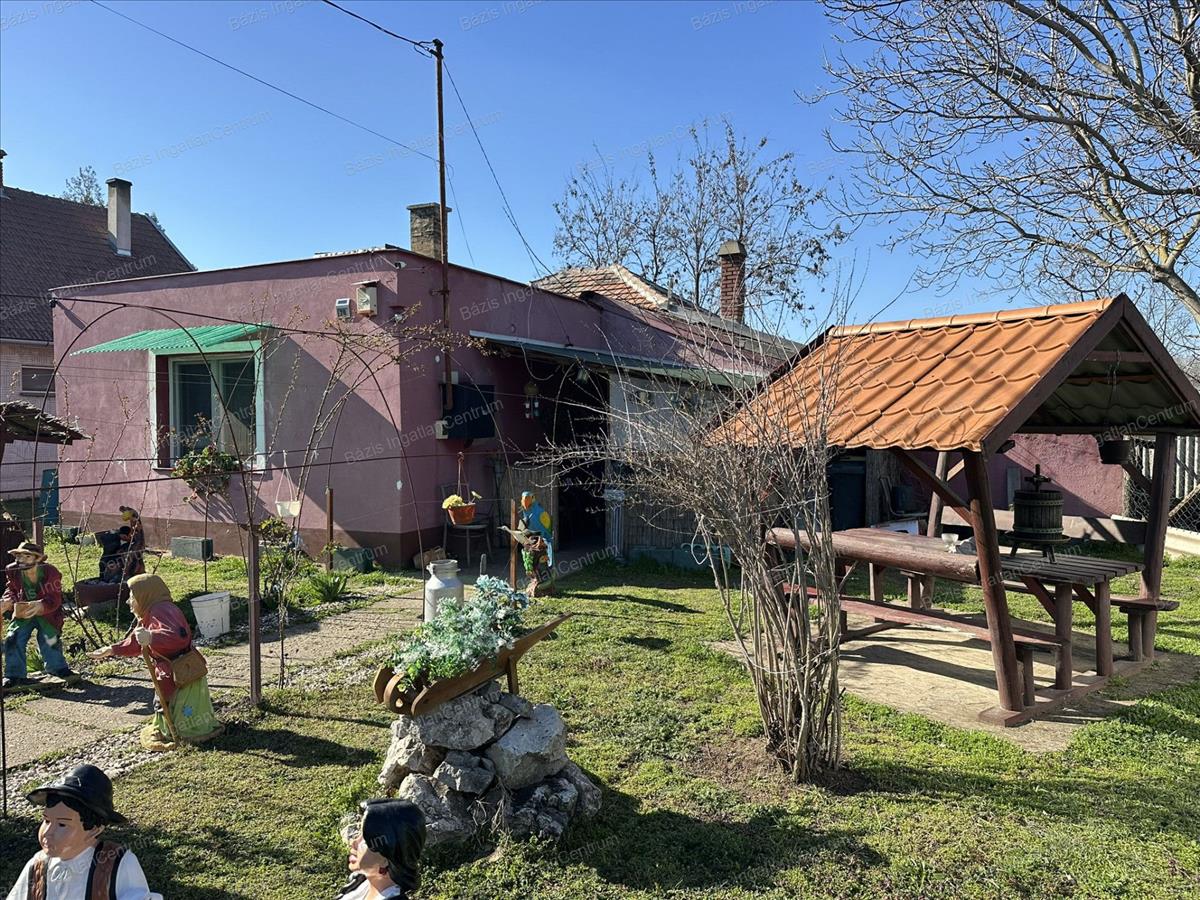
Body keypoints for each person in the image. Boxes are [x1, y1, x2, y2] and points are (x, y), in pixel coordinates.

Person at [90, 574, 221, 751]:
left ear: (145, 594)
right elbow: (137, 641)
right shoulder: (149, 612)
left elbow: (178, 636)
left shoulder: (162, 610)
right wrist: (113, 649)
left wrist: (151, 637)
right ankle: (173, 728)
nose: (129, 602)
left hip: (180, 670)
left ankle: (186, 730)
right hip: (171, 670)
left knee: (176, 702)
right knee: (164, 700)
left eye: (132, 597)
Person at [6, 763, 162, 900]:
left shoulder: (117, 863)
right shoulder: (37, 866)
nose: (48, 832)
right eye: (47, 821)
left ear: (94, 828)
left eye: (62, 825)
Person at [2, 541, 77, 691]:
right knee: (13, 637)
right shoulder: (13, 570)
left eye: (27, 556)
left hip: (47, 614)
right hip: (24, 611)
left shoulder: (51, 572)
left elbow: (55, 597)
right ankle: (14, 675)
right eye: (18, 556)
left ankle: (57, 668)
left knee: (49, 639)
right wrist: (7, 601)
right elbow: (12, 589)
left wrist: (41, 605)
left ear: (38, 559)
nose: (21, 560)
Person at [337, 800, 426, 899]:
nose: (353, 842)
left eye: (365, 840)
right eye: (359, 833)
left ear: (387, 858)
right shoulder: (362, 881)